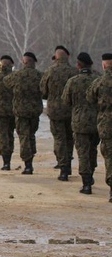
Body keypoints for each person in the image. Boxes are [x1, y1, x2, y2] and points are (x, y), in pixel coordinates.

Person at [62, 52, 99, 194]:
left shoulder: (73, 81)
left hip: (79, 121)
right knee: (92, 150)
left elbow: (66, 101)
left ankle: (86, 183)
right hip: (96, 122)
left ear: (78, 65)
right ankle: (91, 174)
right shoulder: (98, 79)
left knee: (83, 152)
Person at [40, 46, 77, 180]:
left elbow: (43, 91)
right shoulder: (74, 71)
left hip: (55, 111)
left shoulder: (50, 71)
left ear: (56, 57)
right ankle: (68, 164)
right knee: (69, 138)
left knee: (59, 139)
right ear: (67, 57)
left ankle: (63, 168)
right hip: (71, 111)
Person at [4, 52, 44, 175]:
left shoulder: (16, 75)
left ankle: (28, 164)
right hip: (35, 111)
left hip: (21, 111)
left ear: (24, 62)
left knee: (24, 137)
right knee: (31, 135)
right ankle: (30, 159)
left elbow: (6, 82)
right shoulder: (40, 76)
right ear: (34, 62)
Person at [86, 53, 112, 202]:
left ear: (103, 65)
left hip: (106, 124)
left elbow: (90, 98)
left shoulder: (99, 82)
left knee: (109, 156)